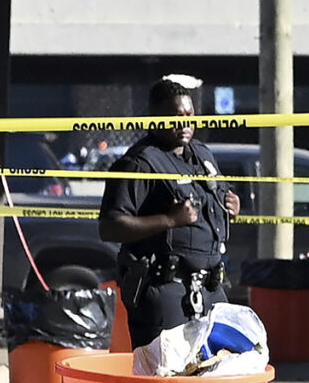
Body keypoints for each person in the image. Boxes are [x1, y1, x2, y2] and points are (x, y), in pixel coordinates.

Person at [97, 78, 241, 344]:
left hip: (210, 288)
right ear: (155, 118)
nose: (184, 123)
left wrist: (232, 205)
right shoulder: (139, 163)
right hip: (166, 290)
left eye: (189, 115)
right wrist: (169, 220)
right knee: (168, 375)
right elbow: (109, 226)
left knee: (215, 371)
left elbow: (219, 195)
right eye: (175, 116)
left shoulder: (201, 155)